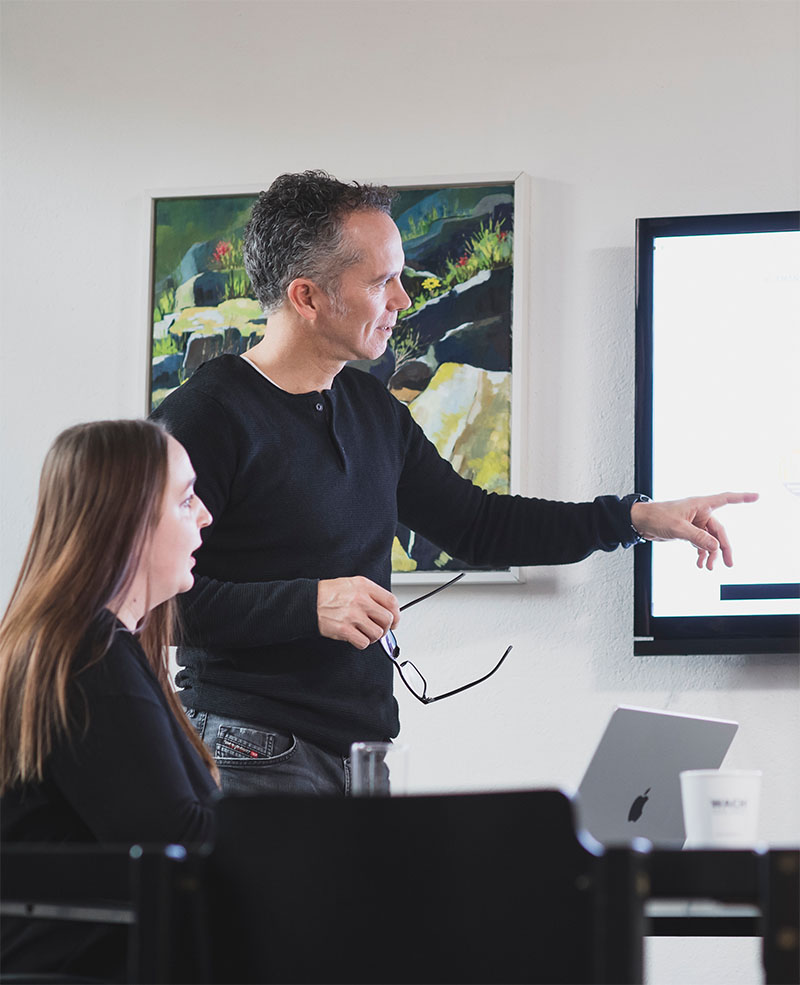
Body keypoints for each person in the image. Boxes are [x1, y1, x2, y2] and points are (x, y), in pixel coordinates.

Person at [151, 170, 757, 798]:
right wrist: (307, 604)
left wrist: (633, 520)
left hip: (358, 753)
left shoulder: (369, 407)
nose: (403, 300)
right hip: (249, 749)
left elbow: (477, 525)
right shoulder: (205, 417)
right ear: (306, 297)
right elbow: (151, 601)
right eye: (382, 282)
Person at [0, 419, 218, 980]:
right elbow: (179, 844)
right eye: (186, 498)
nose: (204, 516)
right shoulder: (89, 654)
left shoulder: (81, 644)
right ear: (127, 522)